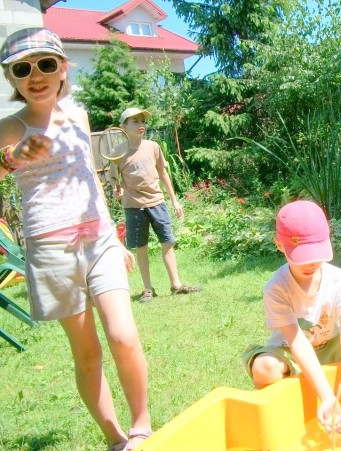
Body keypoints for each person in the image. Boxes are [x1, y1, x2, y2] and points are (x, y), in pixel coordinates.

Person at [0, 28, 152, 450]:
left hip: (99, 238)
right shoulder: (9, 128)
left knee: (123, 334)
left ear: (63, 67)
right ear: (11, 77)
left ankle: (142, 426)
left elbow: (91, 181)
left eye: (46, 64)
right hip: (52, 251)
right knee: (87, 352)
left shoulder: (79, 116)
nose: (36, 75)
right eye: (22, 68)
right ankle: (116, 439)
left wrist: (117, 237)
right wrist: (11, 160)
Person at [243, 200, 341, 434]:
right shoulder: (276, 288)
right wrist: (327, 397)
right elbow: (297, 340)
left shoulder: (339, 279)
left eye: (316, 254)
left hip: (331, 344)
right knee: (265, 367)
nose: (311, 263)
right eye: (303, 256)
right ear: (279, 245)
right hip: (290, 350)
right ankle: (283, 407)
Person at [112, 107, 200, 302]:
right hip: (134, 206)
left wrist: (175, 201)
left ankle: (176, 285)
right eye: (134, 121)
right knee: (141, 247)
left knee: (168, 242)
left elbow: (163, 173)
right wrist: (117, 192)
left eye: (142, 121)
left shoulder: (153, 147)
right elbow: (114, 182)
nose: (140, 124)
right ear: (123, 127)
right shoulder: (118, 153)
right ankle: (147, 289)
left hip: (157, 202)